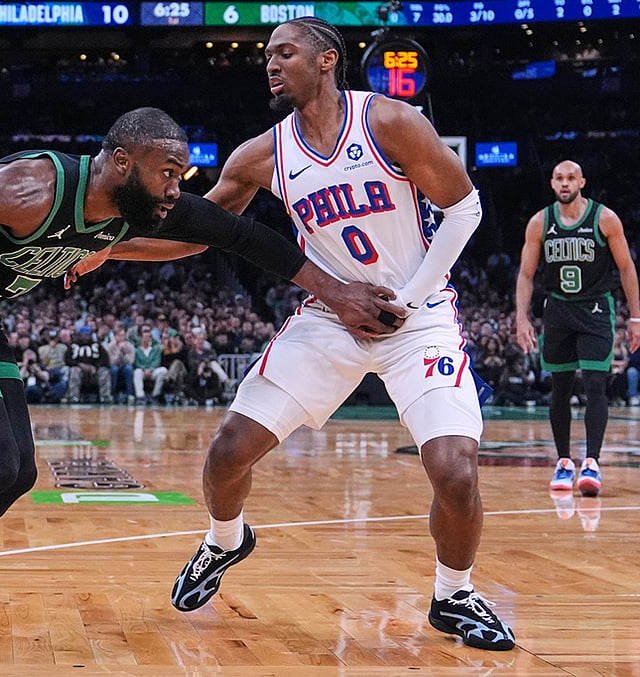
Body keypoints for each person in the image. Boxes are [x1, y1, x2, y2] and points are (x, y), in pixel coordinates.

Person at [0, 107, 400, 661]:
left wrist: (339, 293)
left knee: (13, 471)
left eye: (183, 174)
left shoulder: (137, 210)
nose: (177, 187)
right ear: (120, 162)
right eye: (168, 171)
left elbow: (242, 236)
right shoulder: (30, 188)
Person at [71, 19, 512, 651]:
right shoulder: (260, 154)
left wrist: (406, 302)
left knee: (457, 472)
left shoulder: (390, 121)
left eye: (285, 52)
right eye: (267, 55)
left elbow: (466, 208)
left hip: (417, 319)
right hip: (330, 320)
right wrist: (107, 249)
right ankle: (226, 541)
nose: (271, 64)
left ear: (327, 60)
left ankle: (454, 593)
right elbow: (198, 234)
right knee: (226, 455)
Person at [515, 160, 640, 498]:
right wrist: (521, 317)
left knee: (596, 384)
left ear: (582, 181)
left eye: (571, 177)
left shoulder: (605, 218)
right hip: (557, 309)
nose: (565, 183)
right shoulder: (540, 222)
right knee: (560, 388)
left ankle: (592, 463)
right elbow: (526, 275)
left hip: (596, 308)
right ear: (553, 184)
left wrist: (636, 318)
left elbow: (627, 268)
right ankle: (564, 462)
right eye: (559, 178)